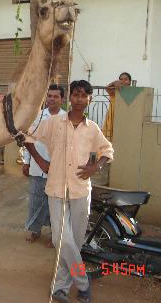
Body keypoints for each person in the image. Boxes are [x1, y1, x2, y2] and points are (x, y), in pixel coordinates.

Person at [30, 80, 114, 303]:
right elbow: (28, 137)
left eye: (83, 95)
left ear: (89, 100)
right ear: (70, 98)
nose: (78, 99)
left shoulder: (92, 128)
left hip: (80, 191)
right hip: (56, 188)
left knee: (74, 242)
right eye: (75, 95)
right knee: (61, 239)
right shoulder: (54, 123)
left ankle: (60, 288)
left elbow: (107, 150)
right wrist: (40, 161)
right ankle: (84, 284)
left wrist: (96, 166)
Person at [23, 84, 66, 246]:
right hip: (37, 167)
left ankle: (54, 235)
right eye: (49, 96)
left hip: (57, 169)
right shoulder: (38, 116)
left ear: (62, 99)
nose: (52, 99)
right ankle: (35, 231)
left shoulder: (66, 119)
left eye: (56, 96)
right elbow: (29, 140)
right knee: (35, 200)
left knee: (54, 203)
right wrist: (26, 162)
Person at [102, 72, 131, 141]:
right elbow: (107, 88)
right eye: (121, 79)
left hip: (125, 118)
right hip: (113, 116)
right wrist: (114, 82)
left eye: (125, 79)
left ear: (130, 82)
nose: (123, 81)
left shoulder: (132, 92)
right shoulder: (115, 91)